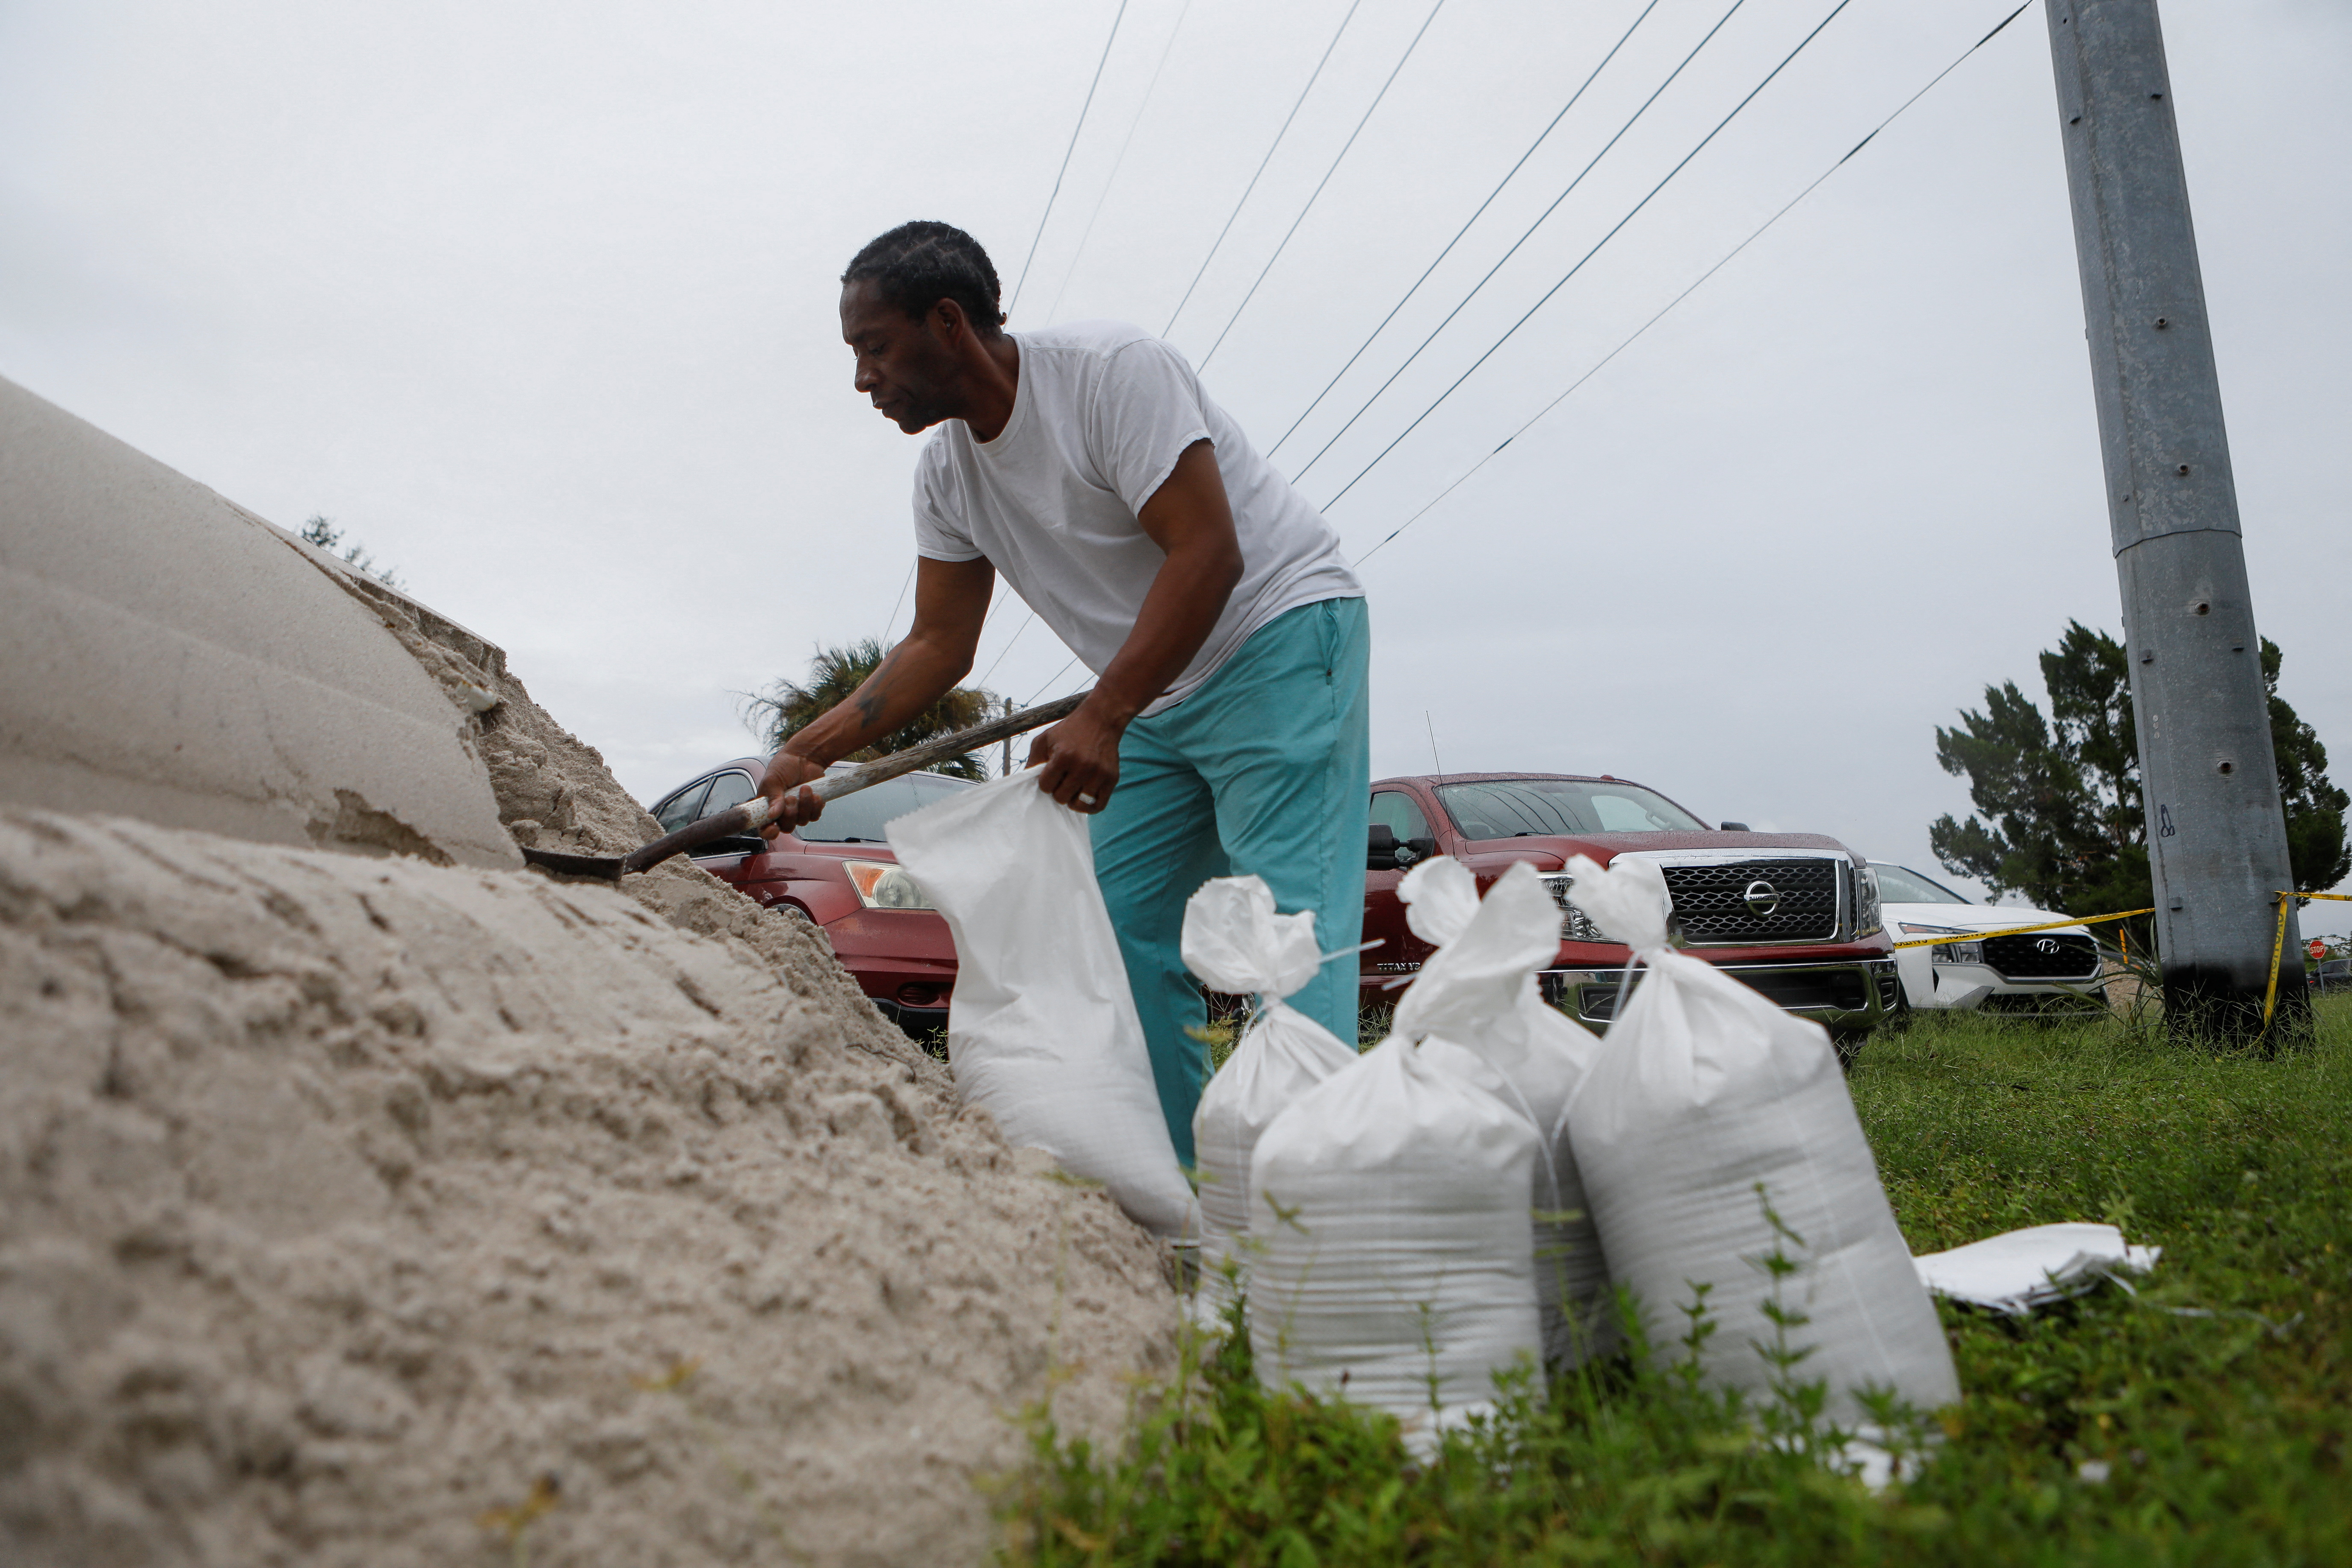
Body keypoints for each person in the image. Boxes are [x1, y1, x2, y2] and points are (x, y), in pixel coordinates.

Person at [758, 220, 1368, 1164]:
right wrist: (815, 748)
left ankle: (1327, 1205)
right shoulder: (947, 474)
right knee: (1118, 941)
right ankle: (1181, 1200)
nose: (861, 380)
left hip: (1273, 640)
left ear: (947, 323)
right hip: (1154, 691)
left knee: (1294, 928)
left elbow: (1207, 550)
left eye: (873, 347)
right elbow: (937, 642)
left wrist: (1104, 711)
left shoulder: (1110, 374)